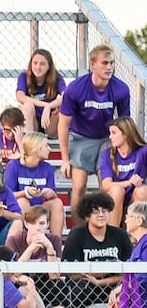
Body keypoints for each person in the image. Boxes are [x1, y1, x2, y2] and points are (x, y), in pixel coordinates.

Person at [59, 44, 130, 206]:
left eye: (112, 63)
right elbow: (63, 124)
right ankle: (78, 231)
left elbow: (125, 124)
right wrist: (64, 159)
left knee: (105, 186)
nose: (109, 67)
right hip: (80, 137)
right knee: (80, 186)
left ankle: (104, 228)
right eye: (104, 63)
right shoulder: (76, 88)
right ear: (93, 64)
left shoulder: (121, 89)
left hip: (106, 138)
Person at [59, 191, 132, 308]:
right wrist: (101, 272)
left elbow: (129, 272)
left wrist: (101, 280)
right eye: (95, 211)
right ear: (87, 216)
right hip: (86, 285)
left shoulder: (120, 234)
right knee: (78, 286)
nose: (101, 215)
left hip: (113, 284)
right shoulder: (77, 235)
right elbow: (71, 272)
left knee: (130, 286)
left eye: (104, 210)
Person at [6, 133, 63, 233]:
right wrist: (26, 193)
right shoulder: (14, 166)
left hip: (40, 206)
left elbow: (54, 194)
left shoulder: (47, 168)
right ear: (35, 149)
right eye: (46, 146)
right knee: (22, 201)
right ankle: (29, 238)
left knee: (57, 203)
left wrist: (50, 193)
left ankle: (56, 243)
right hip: (20, 207)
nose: (49, 149)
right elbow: (8, 195)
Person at [98, 117, 147, 225]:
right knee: (117, 190)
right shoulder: (107, 154)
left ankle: (135, 236)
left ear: (126, 134)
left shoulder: (143, 151)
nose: (110, 137)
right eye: (110, 133)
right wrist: (129, 183)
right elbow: (106, 185)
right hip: (114, 200)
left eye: (114, 133)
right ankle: (112, 236)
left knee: (142, 190)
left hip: (134, 199)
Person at [16, 47, 65, 135]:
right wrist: (47, 105)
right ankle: (29, 141)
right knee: (27, 106)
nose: (38, 67)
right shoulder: (24, 76)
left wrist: (50, 107)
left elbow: (66, 96)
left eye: (42, 64)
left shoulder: (57, 78)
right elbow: (20, 97)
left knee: (63, 106)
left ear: (49, 66)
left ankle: (66, 137)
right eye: (35, 63)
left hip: (49, 122)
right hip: (33, 122)